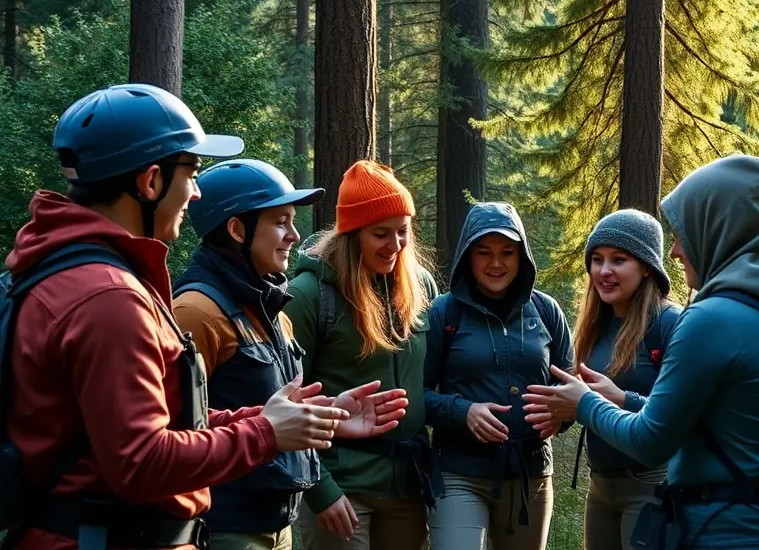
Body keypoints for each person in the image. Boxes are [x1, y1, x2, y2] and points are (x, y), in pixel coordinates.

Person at [1, 84, 387, 550]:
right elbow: (142, 462)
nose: (197, 192)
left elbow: (163, 420)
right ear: (150, 182)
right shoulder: (108, 298)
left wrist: (290, 419)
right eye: (191, 173)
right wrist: (265, 433)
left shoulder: (74, 274)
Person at [525, 154, 759, 549]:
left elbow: (652, 440)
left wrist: (585, 404)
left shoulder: (710, 319)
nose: (675, 252)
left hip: (719, 524)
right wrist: (622, 399)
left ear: (717, 230)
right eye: (597, 260)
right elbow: (693, 415)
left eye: (685, 234)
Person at [172, 159, 410, 550]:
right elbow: (174, 432)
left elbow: (269, 411)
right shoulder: (196, 312)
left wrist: (326, 416)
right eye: (281, 222)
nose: (294, 235)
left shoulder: (271, 311)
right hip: (223, 527)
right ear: (237, 230)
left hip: (274, 524)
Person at [284, 160, 439, 550]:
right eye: (380, 234)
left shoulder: (420, 287)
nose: (396, 245)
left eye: (403, 231)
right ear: (351, 236)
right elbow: (284, 404)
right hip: (341, 487)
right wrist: (320, 490)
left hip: (407, 488)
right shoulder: (307, 296)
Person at [423, 202, 574, 550]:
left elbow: (570, 386)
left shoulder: (546, 310)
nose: (496, 263)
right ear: (467, 255)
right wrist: (463, 411)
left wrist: (561, 416)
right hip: (458, 471)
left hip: (530, 475)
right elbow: (417, 393)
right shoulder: (443, 312)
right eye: (484, 252)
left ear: (522, 256)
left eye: (507, 252)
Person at [531, 209, 682, 550]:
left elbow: (681, 417)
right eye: (597, 260)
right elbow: (584, 399)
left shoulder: (669, 323)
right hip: (600, 487)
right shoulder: (595, 324)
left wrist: (623, 399)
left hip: (652, 485)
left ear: (647, 267)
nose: (604, 271)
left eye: (618, 260)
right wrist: (559, 413)